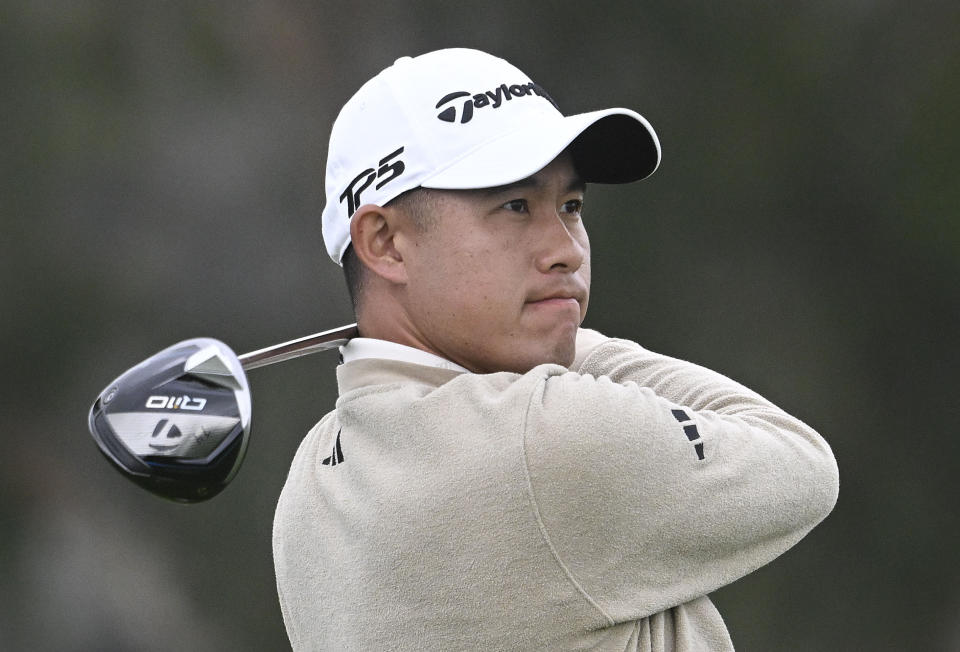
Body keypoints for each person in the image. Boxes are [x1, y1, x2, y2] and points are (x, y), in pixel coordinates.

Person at [272, 48, 839, 651]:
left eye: (571, 206)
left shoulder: (308, 483)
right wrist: (567, 341)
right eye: (515, 206)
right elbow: (800, 462)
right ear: (384, 242)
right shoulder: (546, 437)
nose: (565, 248)